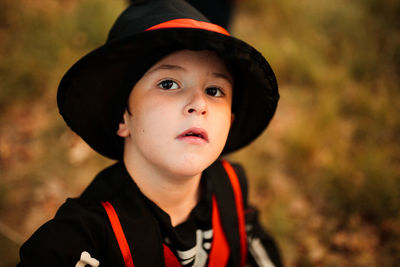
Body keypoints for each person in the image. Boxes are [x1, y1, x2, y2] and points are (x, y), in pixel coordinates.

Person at [18, 0, 282, 266]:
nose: (199, 105)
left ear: (230, 120)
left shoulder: (231, 188)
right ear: (123, 117)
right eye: (168, 84)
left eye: (214, 91)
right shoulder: (86, 237)